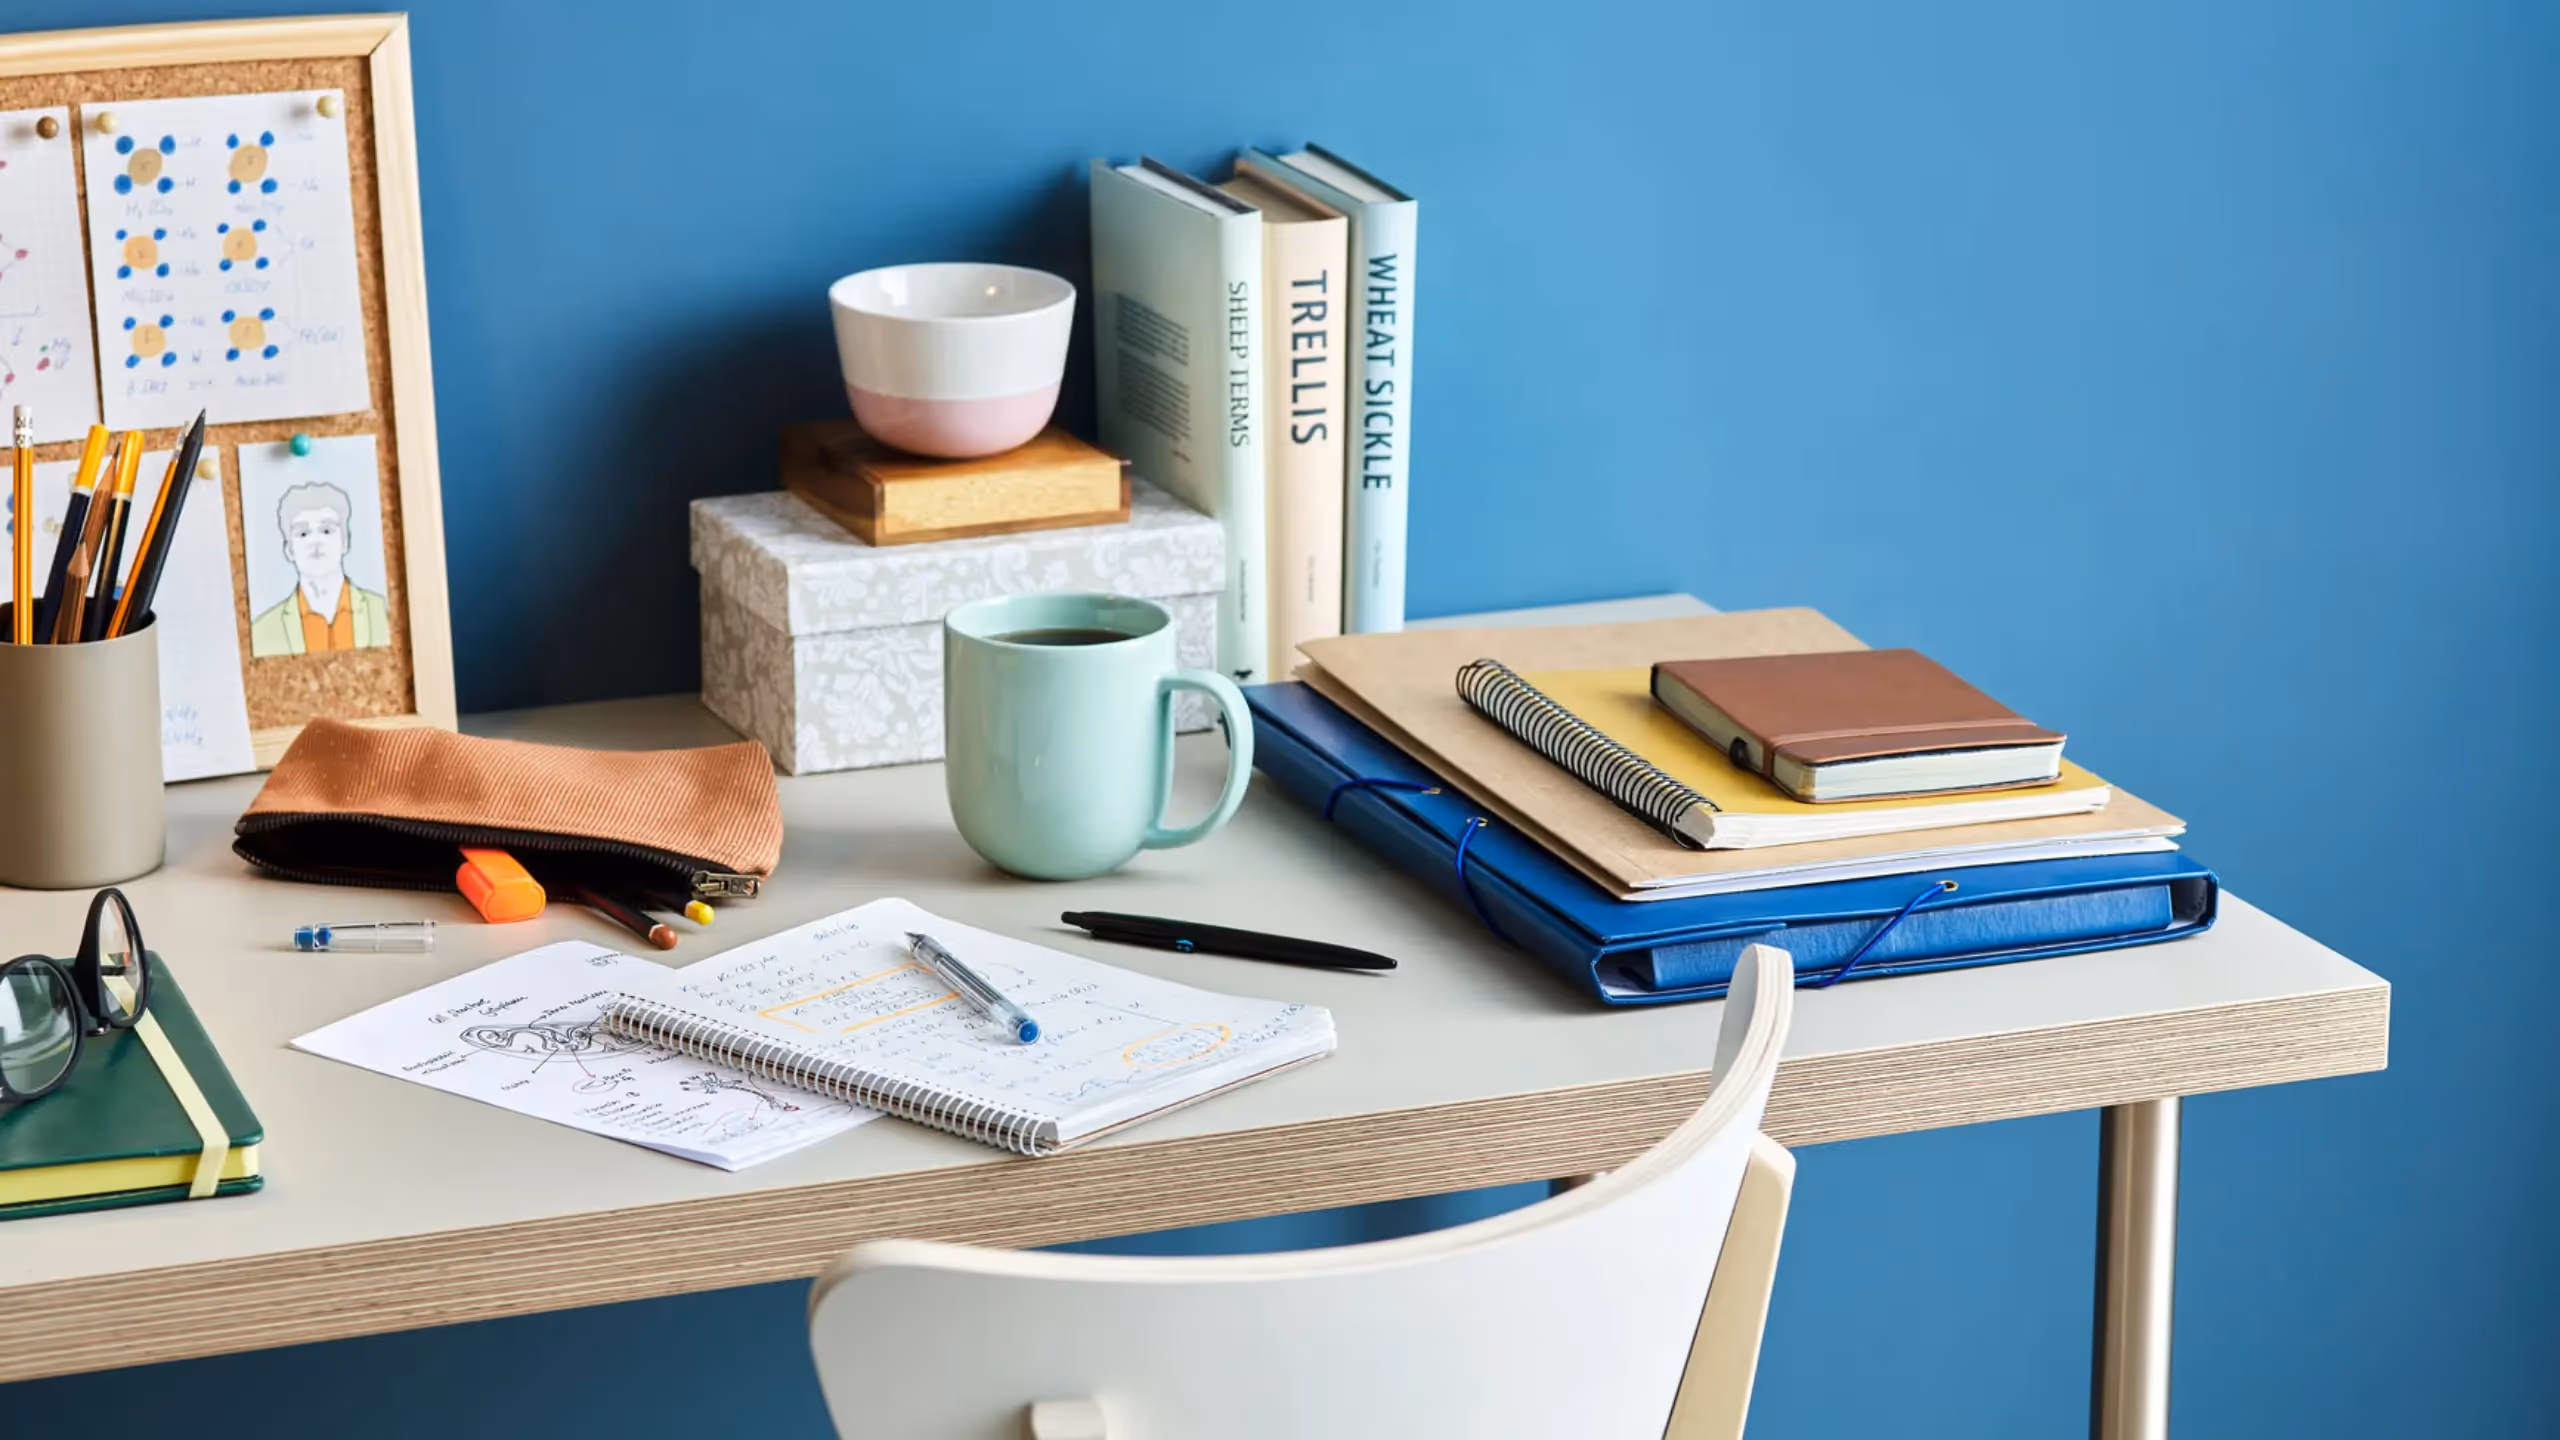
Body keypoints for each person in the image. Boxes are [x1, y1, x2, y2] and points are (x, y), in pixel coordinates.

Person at [248, 480, 390, 657]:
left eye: (327, 530)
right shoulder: (263, 630)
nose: (315, 541)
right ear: (289, 550)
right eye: (303, 533)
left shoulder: (381, 611)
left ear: (345, 542)